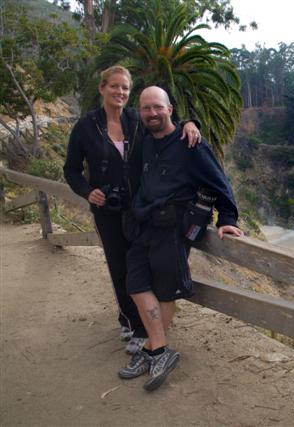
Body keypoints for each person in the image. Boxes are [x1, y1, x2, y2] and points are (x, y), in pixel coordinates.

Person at [63, 66, 201, 354]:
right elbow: (72, 170)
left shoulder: (135, 120)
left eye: (125, 88)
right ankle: (130, 323)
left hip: (140, 207)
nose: (120, 93)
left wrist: (190, 122)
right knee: (119, 265)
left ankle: (147, 324)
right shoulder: (86, 127)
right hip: (107, 210)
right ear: (102, 89)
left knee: (143, 264)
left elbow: (162, 123)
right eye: (114, 86)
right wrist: (89, 192)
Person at [117, 86, 242, 392]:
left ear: (170, 109)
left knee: (166, 290)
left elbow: (219, 181)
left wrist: (228, 219)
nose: (152, 113)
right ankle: (158, 349)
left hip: (173, 228)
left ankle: (154, 351)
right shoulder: (145, 141)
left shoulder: (191, 144)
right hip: (145, 224)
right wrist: (192, 119)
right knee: (134, 283)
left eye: (158, 107)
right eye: (146, 108)